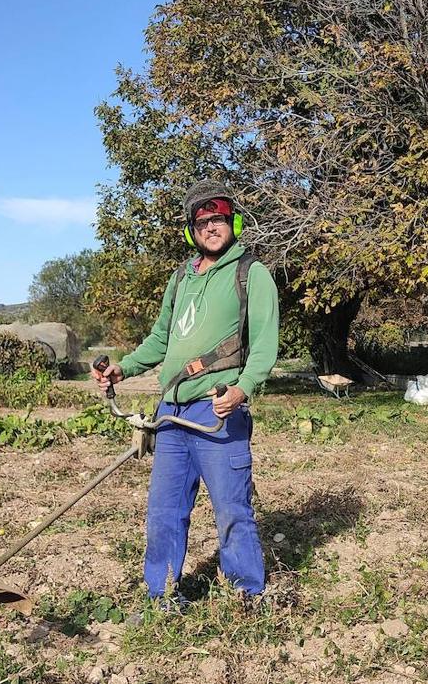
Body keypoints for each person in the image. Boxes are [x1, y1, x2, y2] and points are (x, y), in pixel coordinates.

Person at [92, 180, 280, 602]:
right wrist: (124, 368)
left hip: (218, 414)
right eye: (202, 222)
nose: (211, 227)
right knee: (164, 511)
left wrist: (242, 389)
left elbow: (265, 344)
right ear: (191, 231)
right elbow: (161, 340)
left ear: (233, 221)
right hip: (171, 414)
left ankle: (247, 595)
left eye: (218, 219)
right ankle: (162, 596)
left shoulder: (251, 273)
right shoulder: (180, 278)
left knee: (232, 510)